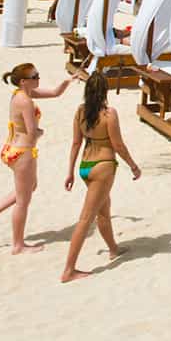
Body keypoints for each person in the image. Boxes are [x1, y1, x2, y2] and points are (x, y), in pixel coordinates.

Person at [0, 63, 77, 254]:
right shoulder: (26, 101)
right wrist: (41, 132)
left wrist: (67, 82)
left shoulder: (21, 94)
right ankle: (17, 245)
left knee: (28, 188)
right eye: (35, 76)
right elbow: (32, 132)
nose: (38, 78)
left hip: (13, 148)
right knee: (23, 200)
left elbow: (55, 93)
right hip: (23, 152)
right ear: (24, 81)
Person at [61, 74, 142, 282]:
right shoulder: (108, 114)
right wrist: (133, 166)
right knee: (85, 219)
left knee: (103, 211)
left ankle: (113, 249)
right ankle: (69, 270)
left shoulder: (80, 112)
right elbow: (118, 145)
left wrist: (70, 171)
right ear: (105, 90)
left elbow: (75, 144)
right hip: (103, 166)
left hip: (85, 168)